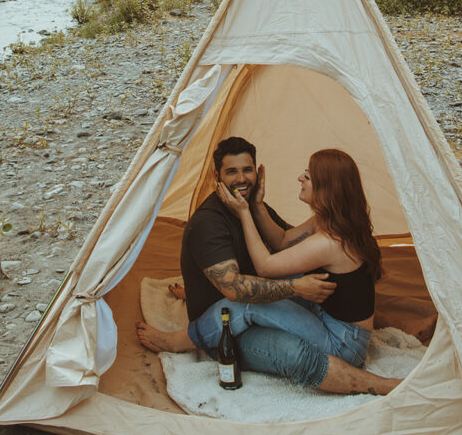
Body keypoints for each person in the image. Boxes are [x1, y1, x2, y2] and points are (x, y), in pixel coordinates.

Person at [137, 137, 400, 396]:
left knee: (250, 300)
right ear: (217, 175)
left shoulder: (328, 241)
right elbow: (285, 242)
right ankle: (197, 316)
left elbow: (265, 267)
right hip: (336, 325)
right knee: (276, 283)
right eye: (232, 172)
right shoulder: (330, 221)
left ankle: (178, 341)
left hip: (342, 340)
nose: (300, 178)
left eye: (307, 176)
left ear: (326, 188)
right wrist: (257, 207)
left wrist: (246, 212)